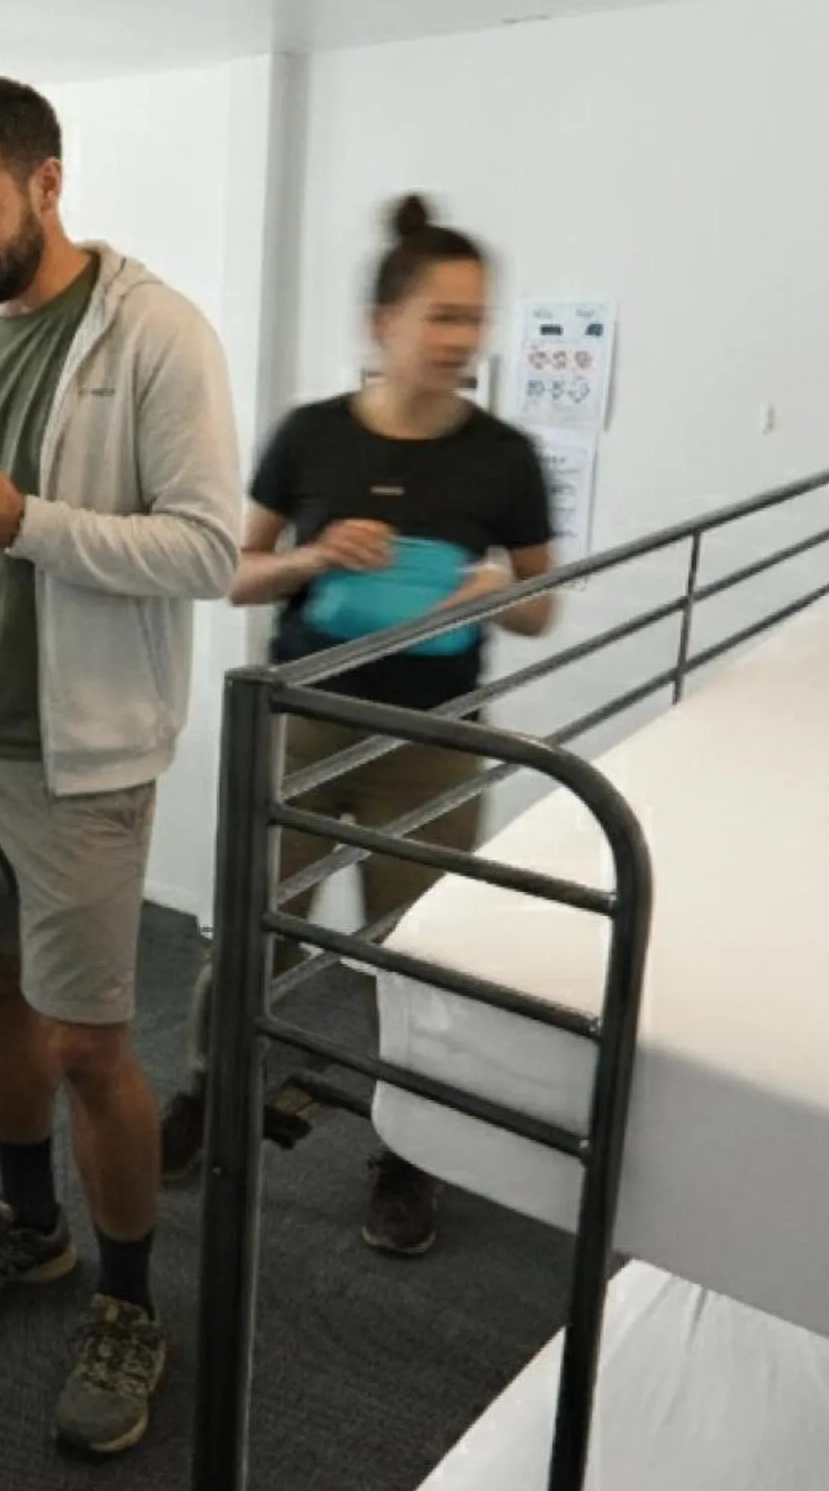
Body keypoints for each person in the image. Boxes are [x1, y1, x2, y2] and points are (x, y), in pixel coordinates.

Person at [0, 75, 242, 1460]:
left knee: (90, 1043)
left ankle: (132, 1298)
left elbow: (205, 551)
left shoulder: (155, 336)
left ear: (46, 181)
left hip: (79, 753)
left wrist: (25, 523)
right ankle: (30, 1226)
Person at [158, 194, 558, 1257]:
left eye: (475, 319)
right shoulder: (312, 437)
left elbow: (543, 604)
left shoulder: (505, 459)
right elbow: (235, 575)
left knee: (417, 960)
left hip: (430, 750)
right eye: (443, 316)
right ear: (383, 323)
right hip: (305, 722)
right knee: (249, 929)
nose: (462, 339)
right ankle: (208, 1091)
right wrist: (314, 557)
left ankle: (409, 1157)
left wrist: (488, 597)